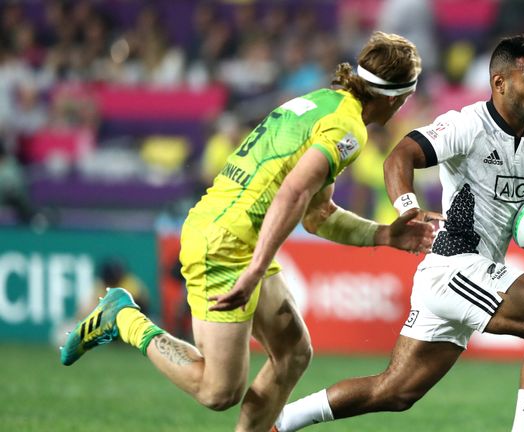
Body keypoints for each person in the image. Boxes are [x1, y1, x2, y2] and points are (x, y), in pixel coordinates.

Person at [60, 31, 435, 432]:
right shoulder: (348, 130)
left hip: (235, 234)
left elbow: (317, 213)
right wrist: (256, 268)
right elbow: (293, 192)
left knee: (293, 353)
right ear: (397, 98)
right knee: (219, 391)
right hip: (222, 245)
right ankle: (124, 318)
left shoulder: (325, 103)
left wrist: (384, 235)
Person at [274, 34, 524, 432]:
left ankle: (279, 422)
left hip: (472, 274)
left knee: (393, 392)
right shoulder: (468, 125)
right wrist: (407, 208)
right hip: (454, 266)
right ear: (500, 83)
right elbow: (400, 156)